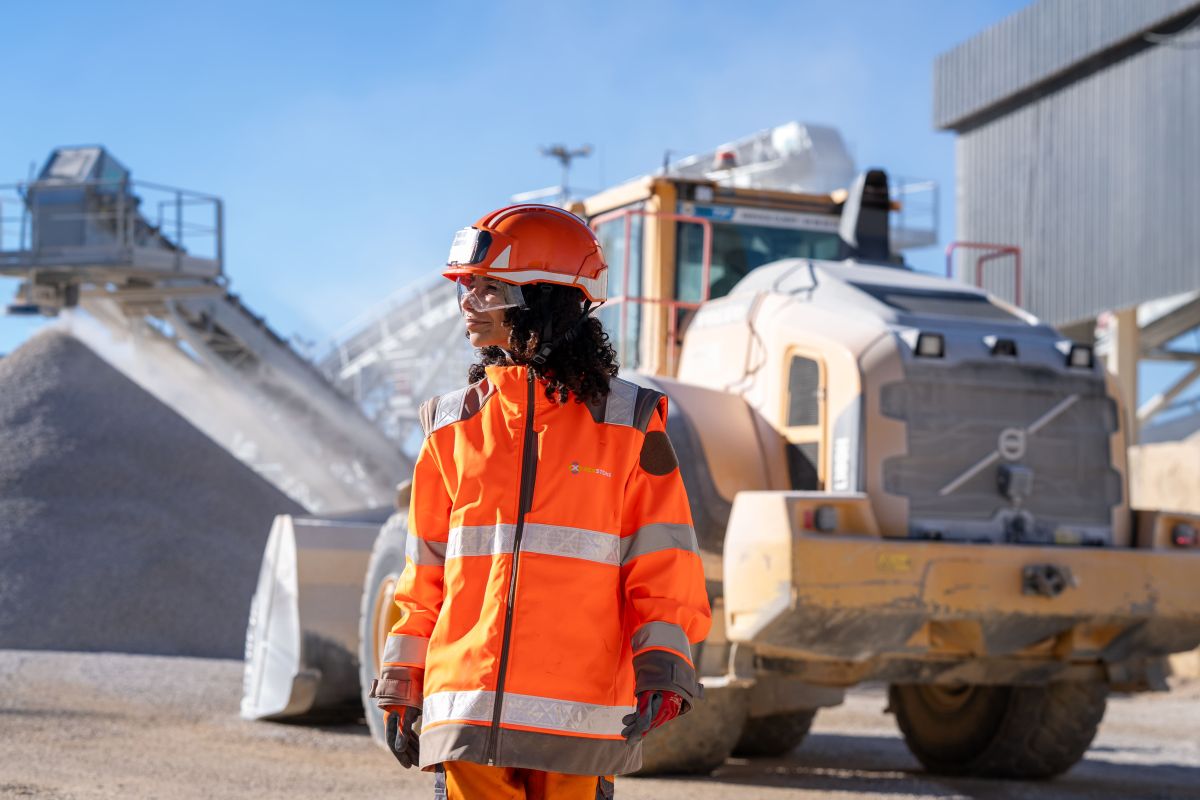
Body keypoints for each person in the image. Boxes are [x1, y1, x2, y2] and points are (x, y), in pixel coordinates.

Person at [370, 204, 711, 799]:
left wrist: (664, 661)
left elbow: (662, 561)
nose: (469, 302)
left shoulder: (630, 425)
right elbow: (424, 571)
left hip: (580, 716)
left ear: (547, 299)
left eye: (490, 288)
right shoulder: (450, 427)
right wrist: (402, 674)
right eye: (467, 287)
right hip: (466, 708)